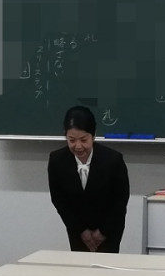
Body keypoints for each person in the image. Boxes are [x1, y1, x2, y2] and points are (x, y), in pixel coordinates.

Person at [46, 105, 129, 252]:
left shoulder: (113, 160)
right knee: (80, 264)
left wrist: (102, 232)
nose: (78, 146)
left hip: (109, 231)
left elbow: (120, 199)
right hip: (77, 231)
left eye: (84, 140)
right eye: (72, 140)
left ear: (93, 135)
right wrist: (81, 231)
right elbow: (58, 199)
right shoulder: (57, 160)